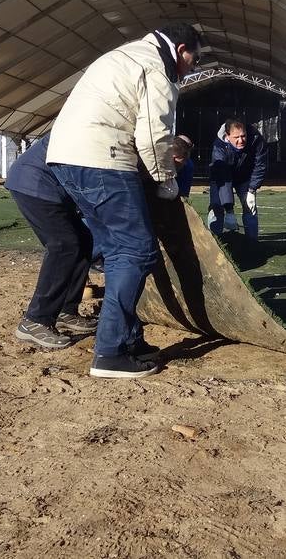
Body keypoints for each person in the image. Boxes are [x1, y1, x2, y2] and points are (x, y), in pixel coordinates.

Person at [47, 23, 202, 379]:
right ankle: (111, 353)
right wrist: (165, 181)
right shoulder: (156, 68)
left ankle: (129, 339)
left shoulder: (125, 54)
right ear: (181, 50)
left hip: (65, 157)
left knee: (118, 250)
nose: (192, 66)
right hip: (101, 157)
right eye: (194, 58)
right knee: (135, 251)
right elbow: (153, 133)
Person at [6, 137, 98, 350]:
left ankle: (67, 309)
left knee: (84, 241)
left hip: (49, 185)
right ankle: (36, 320)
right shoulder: (90, 123)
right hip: (35, 184)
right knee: (64, 246)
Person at [208, 119, 267, 239]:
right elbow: (223, 176)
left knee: (250, 207)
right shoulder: (218, 147)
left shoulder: (256, 139)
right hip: (221, 177)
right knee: (216, 207)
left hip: (245, 177)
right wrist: (229, 209)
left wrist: (252, 189)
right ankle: (215, 241)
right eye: (236, 137)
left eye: (243, 136)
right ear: (227, 136)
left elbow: (260, 165)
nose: (241, 140)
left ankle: (252, 243)